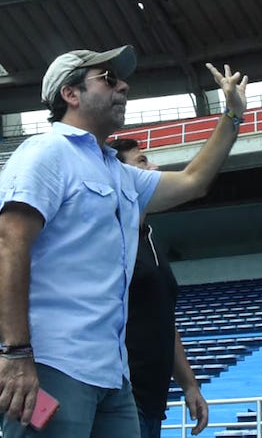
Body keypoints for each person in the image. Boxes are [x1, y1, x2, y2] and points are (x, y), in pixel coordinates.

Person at [0, 46, 247, 438]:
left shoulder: (120, 173)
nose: (123, 86)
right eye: (107, 79)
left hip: (113, 374)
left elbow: (194, 181)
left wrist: (232, 116)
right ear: (70, 95)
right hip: (52, 364)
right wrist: (16, 353)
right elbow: (8, 244)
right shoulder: (45, 153)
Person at [109, 138, 209, 437]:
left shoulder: (150, 238)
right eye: (142, 162)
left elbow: (164, 319)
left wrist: (189, 384)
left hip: (153, 401)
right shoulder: (110, 239)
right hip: (120, 397)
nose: (154, 168)